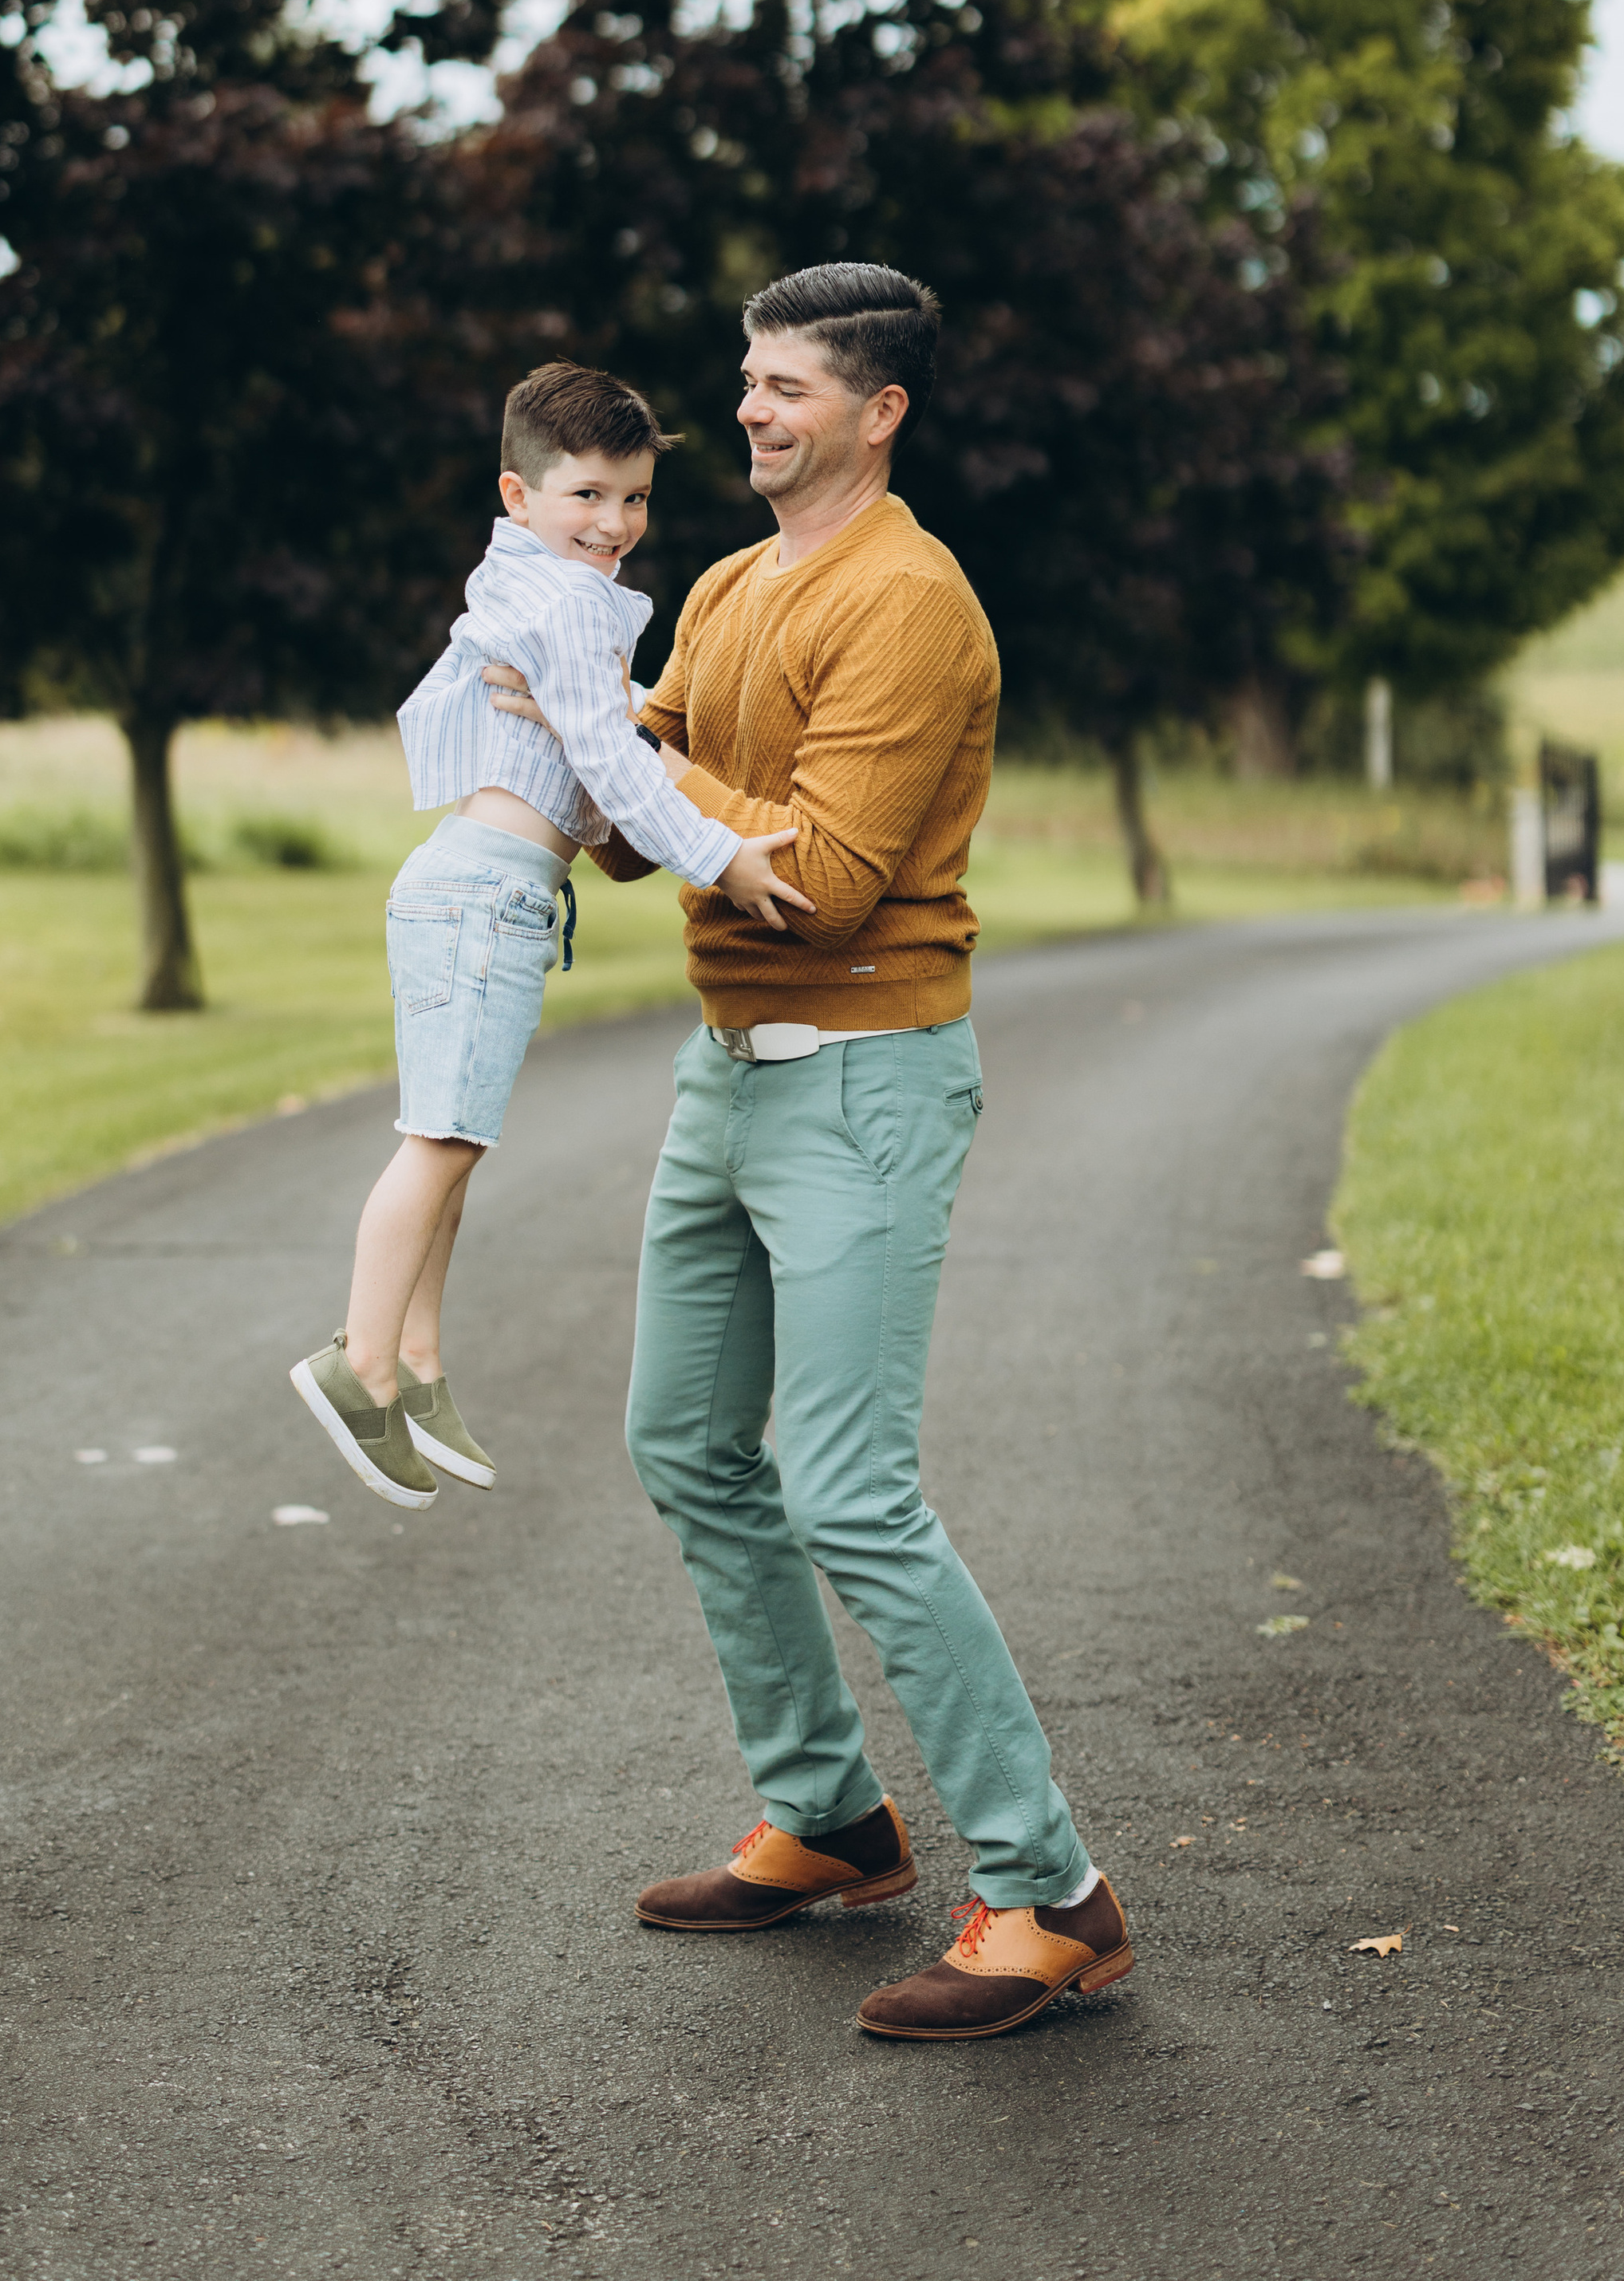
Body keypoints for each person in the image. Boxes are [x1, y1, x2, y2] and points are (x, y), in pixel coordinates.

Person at [489, 264, 1131, 2041]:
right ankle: (833, 1819)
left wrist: (632, 762)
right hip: (726, 1076)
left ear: (876, 412)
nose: (750, 412)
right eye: (746, 382)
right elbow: (642, 840)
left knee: (846, 1487)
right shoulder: (714, 584)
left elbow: (825, 880)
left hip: (862, 1073)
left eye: (784, 387)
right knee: (686, 1441)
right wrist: (557, 729)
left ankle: (1048, 1893)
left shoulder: (909, 605)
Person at [290, 360, 812, 1513]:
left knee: (454, 1141)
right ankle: (359, 1362)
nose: (615, 525)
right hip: (488, 893)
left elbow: (597, 740)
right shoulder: (568, 603)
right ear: (518, 498)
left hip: (473, 887)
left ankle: (418, 1363)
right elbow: (613, 759)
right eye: (586, 496)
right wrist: (721, 854)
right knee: (439, 1140)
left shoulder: (529, 584)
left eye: (633, 499)